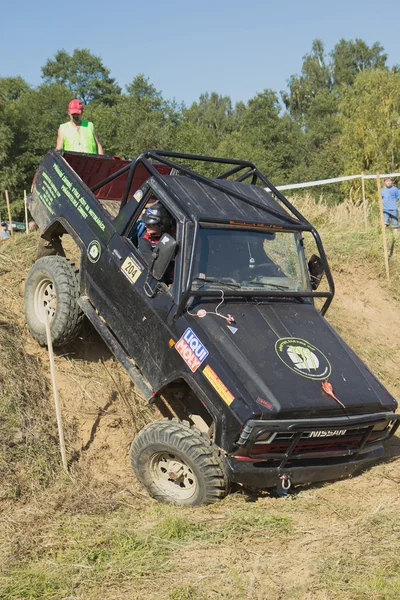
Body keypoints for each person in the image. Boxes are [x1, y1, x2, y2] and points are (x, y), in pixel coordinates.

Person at [138, 203, 175, 282]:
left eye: (151, 224)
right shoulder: (145, 241)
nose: (146, 226)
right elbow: (154, 268)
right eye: (146, 223)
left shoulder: (174, 232)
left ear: (162, 225)